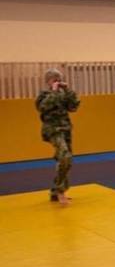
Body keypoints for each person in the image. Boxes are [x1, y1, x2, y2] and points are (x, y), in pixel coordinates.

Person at [35, 68, 80, 205]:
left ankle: (55, 191)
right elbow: (43, 107)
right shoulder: (44, 95)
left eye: (59, 79)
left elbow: (74, 107)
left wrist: (67, 91)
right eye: (54, 79)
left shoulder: (62, 93)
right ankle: (61, 191)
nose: (57, 82)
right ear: (48, 81)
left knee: (66, 161)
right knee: (65, 156)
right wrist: (54, 92)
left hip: (65, 129)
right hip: (52, 130)